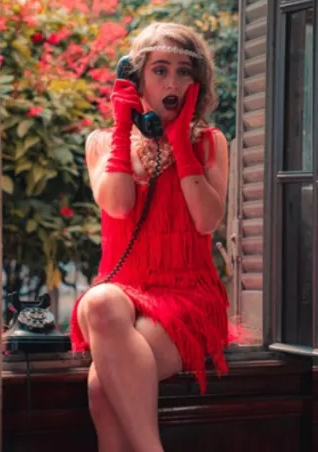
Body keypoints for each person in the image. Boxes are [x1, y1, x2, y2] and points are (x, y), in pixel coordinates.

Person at [69, 22, 238, 452]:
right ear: (135, 77)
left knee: (102, 388)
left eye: (185, 72)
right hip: (126, 295)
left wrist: (181, 143)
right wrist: (123, 127)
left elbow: (206, 221)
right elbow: (119, 206)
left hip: (189, 296)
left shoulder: (210, 142)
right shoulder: (102, 143)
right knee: (100, 300)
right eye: (160, 70)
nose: (173, 82)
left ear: (197, 84)